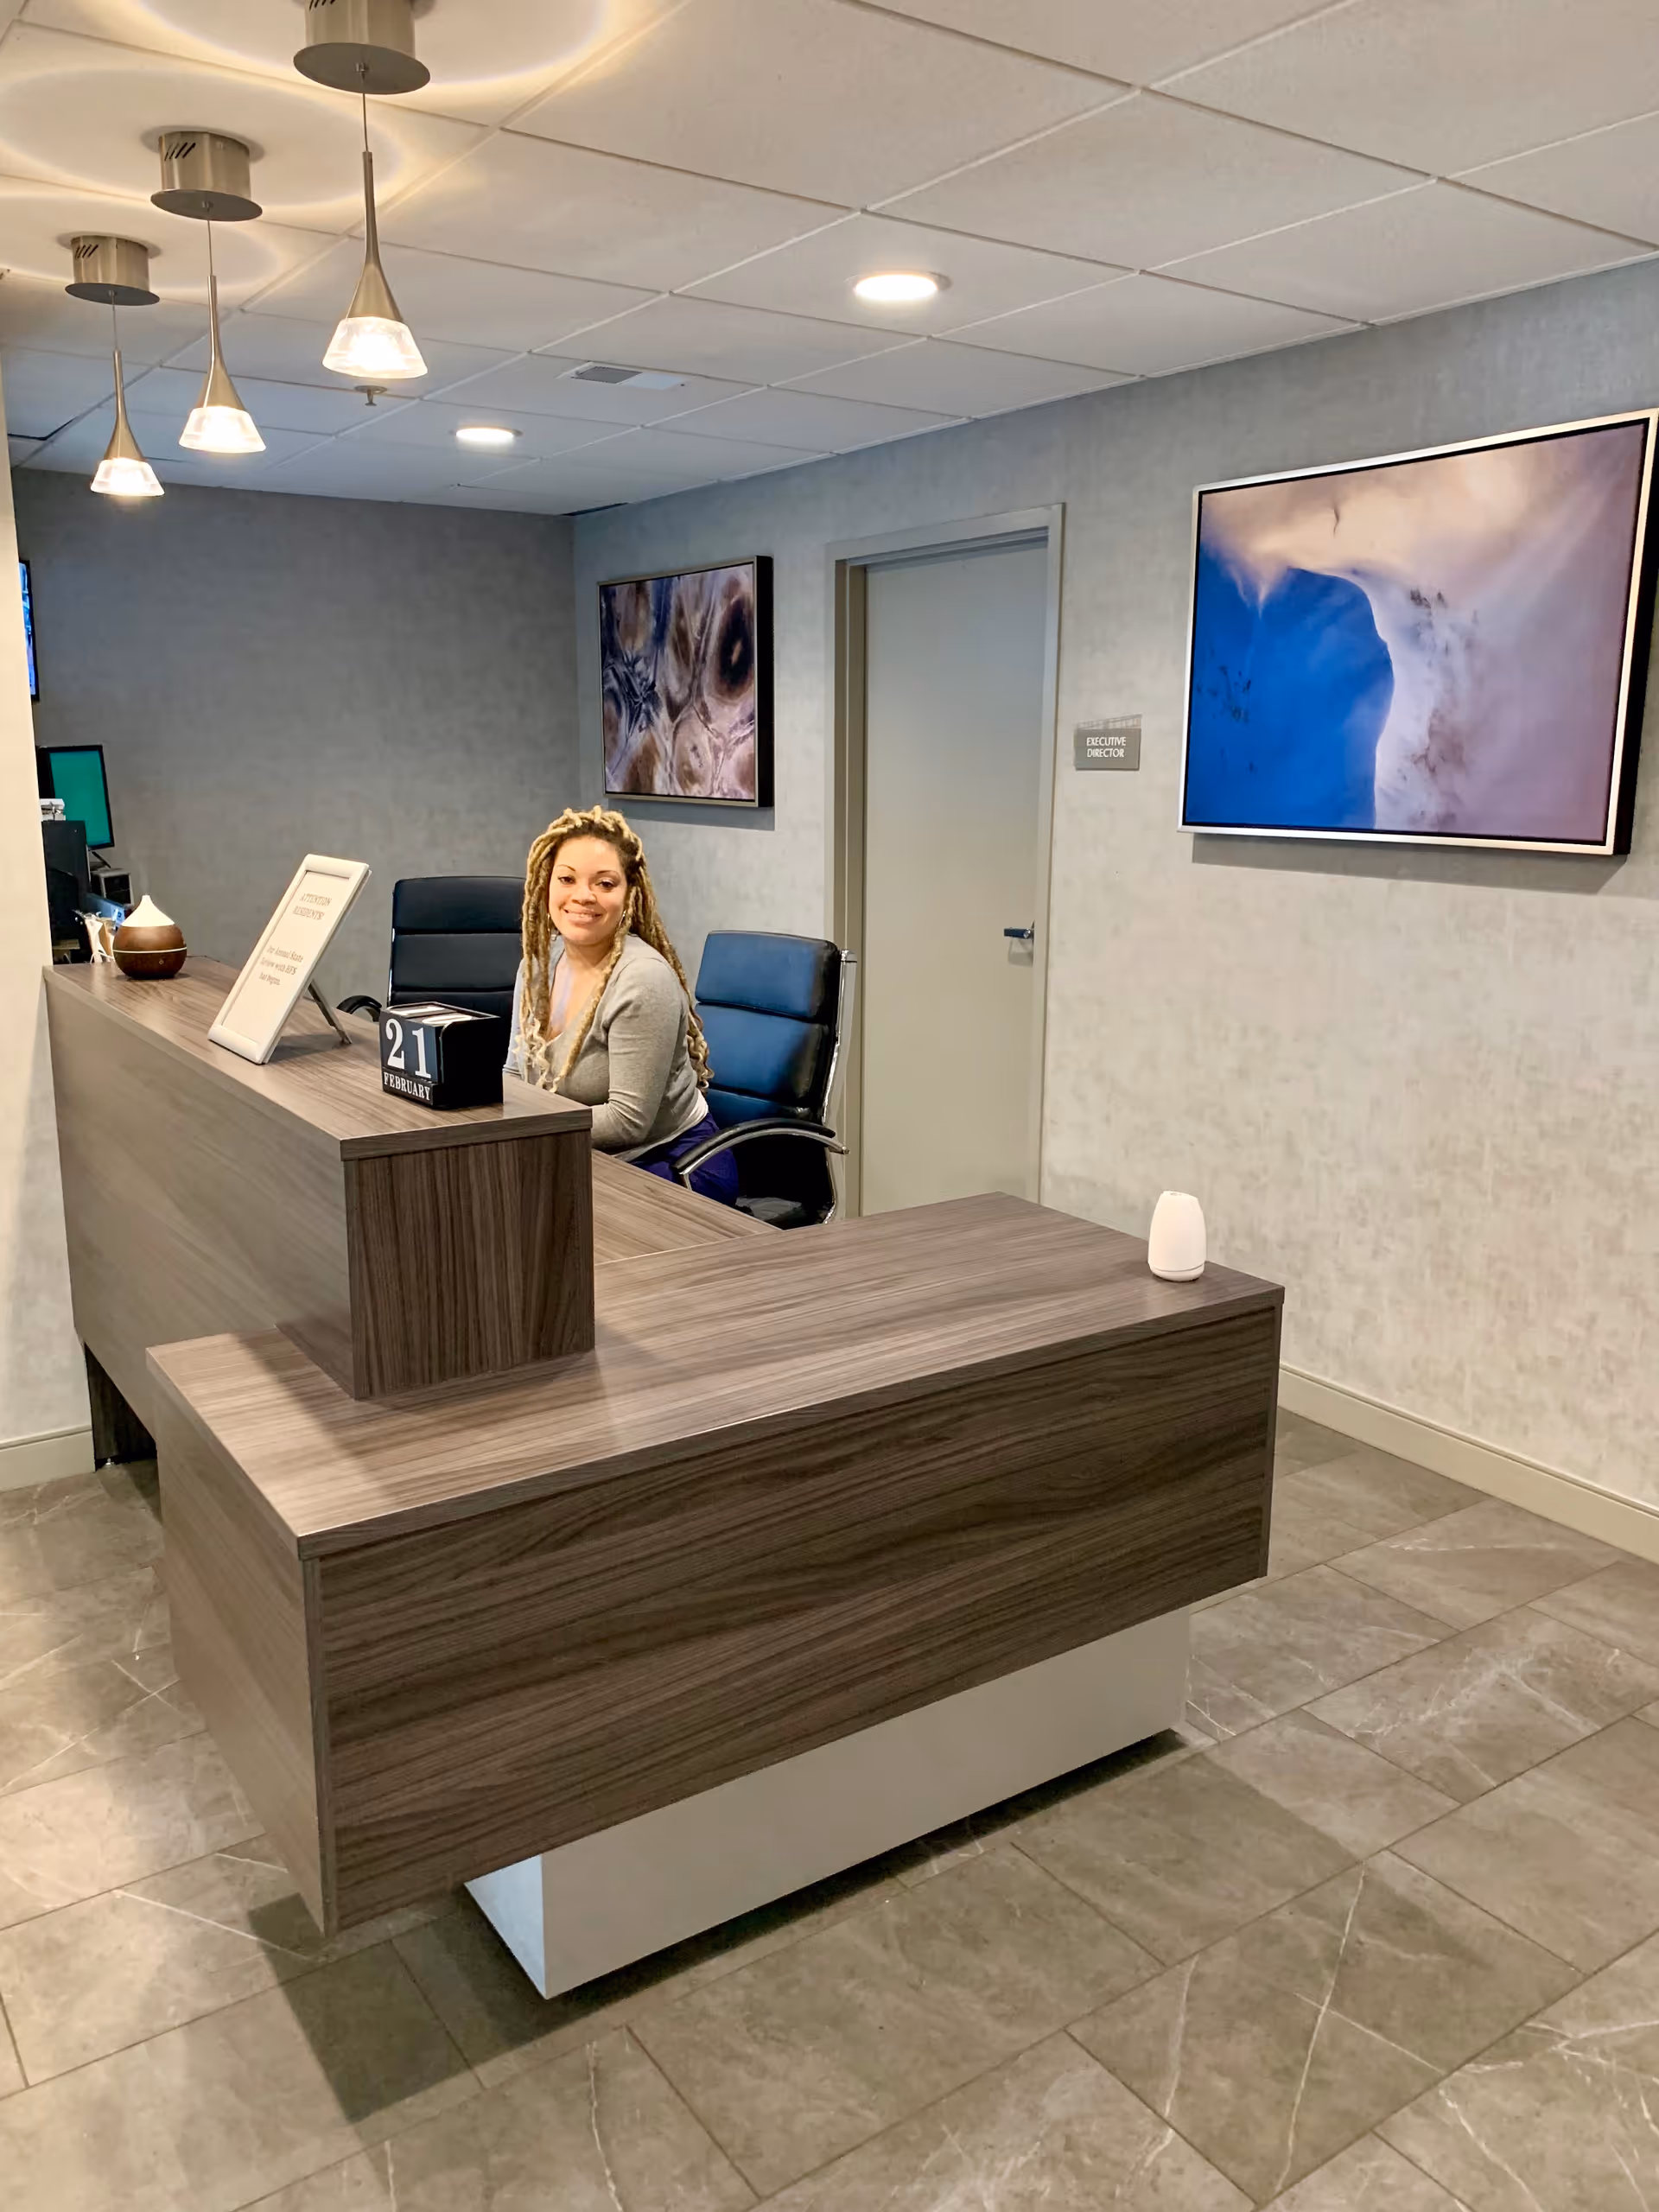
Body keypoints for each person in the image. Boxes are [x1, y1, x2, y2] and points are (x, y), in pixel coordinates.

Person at [505, 805, 738, 1205]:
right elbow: (514, 1072)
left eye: (605, 883)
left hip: (673, 1167)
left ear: (629, 894)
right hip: (581, 1156)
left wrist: (530, 1128)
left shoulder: (641, 980)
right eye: (567, 879)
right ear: (546, 885)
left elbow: (629, 1122)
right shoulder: (537, 965)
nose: (583, 895)